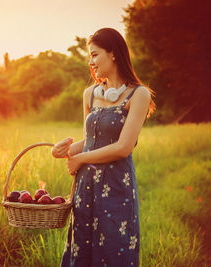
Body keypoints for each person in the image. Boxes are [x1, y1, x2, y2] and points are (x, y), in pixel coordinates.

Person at [52, 28, 155, 267]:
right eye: (90, 56)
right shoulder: (89, 94)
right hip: (86, 188)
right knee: (82, 250)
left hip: (117, 186)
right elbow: (90, 140)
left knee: (115, 248)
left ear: (114, 54)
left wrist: (81, 158)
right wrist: (62, 151)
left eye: (95, 54)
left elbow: (123, 147)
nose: (91, 62)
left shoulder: (139, 94)